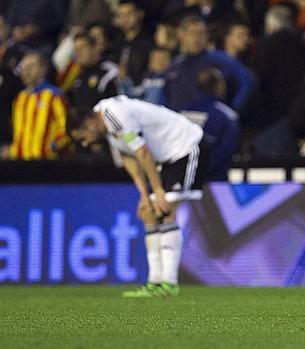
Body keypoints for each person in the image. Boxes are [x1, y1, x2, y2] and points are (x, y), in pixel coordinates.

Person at [68, 95, 210, 297]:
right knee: (148, 213)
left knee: (166, 210)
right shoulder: (107, 126)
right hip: (166, 157)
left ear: (90, 123)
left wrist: (158, 190)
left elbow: (142, 152)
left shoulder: (115, 115)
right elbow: (128, 158)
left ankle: (169, 284)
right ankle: (154, 282)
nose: (84, 144)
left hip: (185, 146)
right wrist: (144, 194)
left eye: (82, 137)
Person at [1, 51, 70, 160]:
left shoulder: (54, 96)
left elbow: (65, 128)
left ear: (43, 69)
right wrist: (14, 150)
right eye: (24, 67)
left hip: (45, 163)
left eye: (31, 67)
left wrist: (52, 148)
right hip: (20, 162)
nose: (26, 72)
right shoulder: (20, 98)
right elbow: (17, 133)